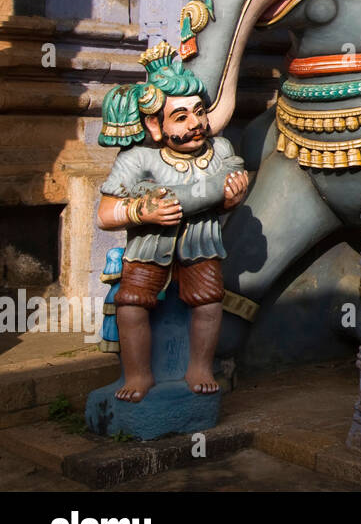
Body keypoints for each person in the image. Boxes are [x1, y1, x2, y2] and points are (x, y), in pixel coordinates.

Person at [95, 42, 249, 401]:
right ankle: (138, 375)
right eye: (181, 117)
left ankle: (199, 368)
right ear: (154, 124)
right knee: (132, 305)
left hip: (201, 241)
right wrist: (140, 212)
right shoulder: (137, 159)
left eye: (199, 112)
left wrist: (231, 197)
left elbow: (229, 187)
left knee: (209, 302)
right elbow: (105, 214)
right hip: (149, 245)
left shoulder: (220, 151)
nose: (196, 124)